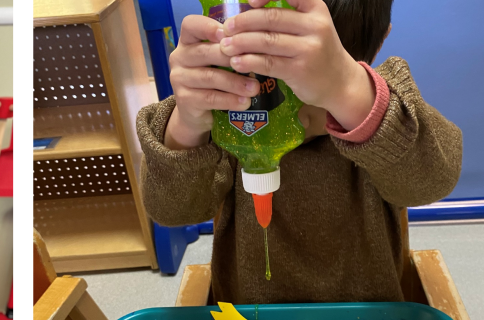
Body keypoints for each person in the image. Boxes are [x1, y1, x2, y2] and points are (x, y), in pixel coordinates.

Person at [138, 0, 462, 303]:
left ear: (377, 45)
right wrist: (187, 125)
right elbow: (171, 211)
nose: (296, 120)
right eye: (277, 92)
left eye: (316, 96)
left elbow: (433, 180)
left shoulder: (389, 109)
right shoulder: (232, 110)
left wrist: (352, 92)